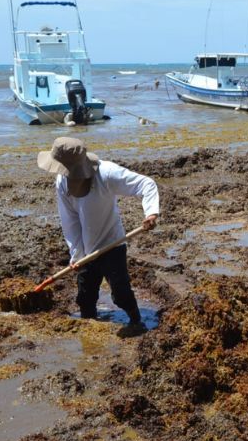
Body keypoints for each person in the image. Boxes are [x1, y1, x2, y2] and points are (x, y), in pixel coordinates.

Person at [37, 137, 160, 338]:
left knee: (121, 294)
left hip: (113, 243)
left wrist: (151, 213)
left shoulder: (107, 173)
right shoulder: (61, 181)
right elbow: (70, 221)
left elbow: (146, 184)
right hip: (86, 249)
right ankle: (88, 330)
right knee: (85, 297)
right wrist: (77, 254)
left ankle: (136, 321)